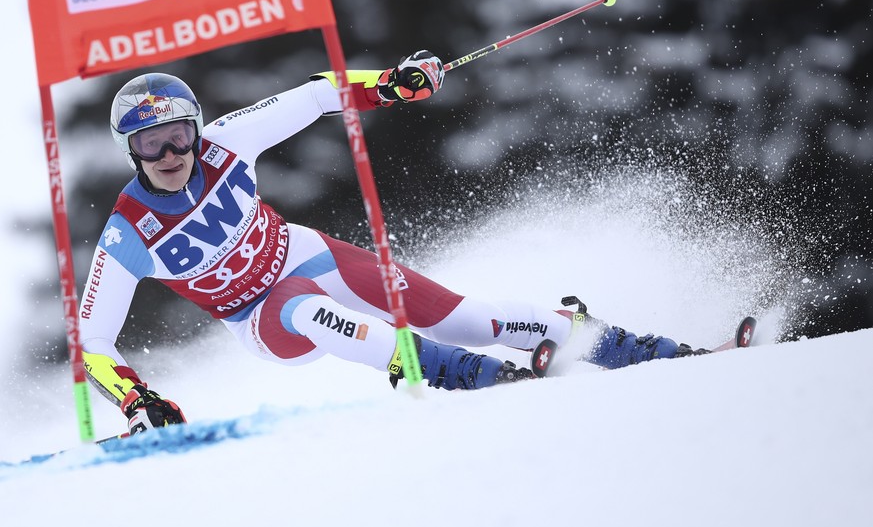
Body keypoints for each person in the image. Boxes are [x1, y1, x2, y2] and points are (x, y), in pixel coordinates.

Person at [78, 51, 705, 435]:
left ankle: (627, 346)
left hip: (307, 253)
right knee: (298, 303)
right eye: (147, 144)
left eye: (177, 136)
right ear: (128, 150)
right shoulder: (129, 230)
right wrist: (138, 400)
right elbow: (93, 338)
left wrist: (390, 83)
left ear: (196, 129)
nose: (168, 155)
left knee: (461, 316)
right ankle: (460, 376)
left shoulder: (226, 143)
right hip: (261, 319)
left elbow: (320, 93)